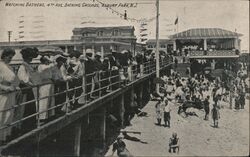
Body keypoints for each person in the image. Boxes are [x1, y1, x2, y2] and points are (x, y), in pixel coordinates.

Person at [0, 48, 20, 145]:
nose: (10, 58)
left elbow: (16, 80)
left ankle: (5, 136)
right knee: (1, 115)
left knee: (9, 115)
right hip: (3, 95)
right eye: (8, 56)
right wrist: (6, 88)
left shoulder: (10, 67)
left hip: (11, 94)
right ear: (4, 56)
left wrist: (16, 86)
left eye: (11, 57)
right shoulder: (0, 66)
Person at [18, 47, 40, 133]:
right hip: (25, 89)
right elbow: (23, 79)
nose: (31, 59)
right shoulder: (22, 66)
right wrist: (32, 84)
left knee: (30, 107)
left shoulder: (27, 65)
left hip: (28, 89)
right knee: (25, 107)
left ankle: (29, 124)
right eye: (30, 57)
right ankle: (25, 126)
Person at [37, 56, 55, 123]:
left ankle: (49, 115)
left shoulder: (48, 66)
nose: (48, 62)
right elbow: (45, 68)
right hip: (44, 84)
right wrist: (51, 63)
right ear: (44, 61)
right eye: (47, 60)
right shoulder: (41, 66)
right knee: (44, 100)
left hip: (49, 82)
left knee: (50, 99)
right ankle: (42, 117)